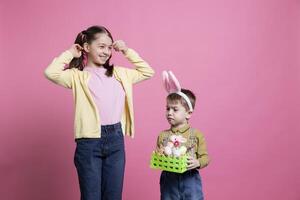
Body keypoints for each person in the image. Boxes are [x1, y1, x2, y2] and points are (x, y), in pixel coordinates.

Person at [44, 25, 155, 200]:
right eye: (101, 46)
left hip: (116, 139)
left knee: (113, 195)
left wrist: (126, 50)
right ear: (87, 47)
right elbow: (50, 72)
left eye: (109, 47)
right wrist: (69, 53)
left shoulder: (120, 74)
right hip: (89, 142)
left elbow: (148, 71)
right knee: (91, 196)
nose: (106, 52)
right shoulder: (76, 76)